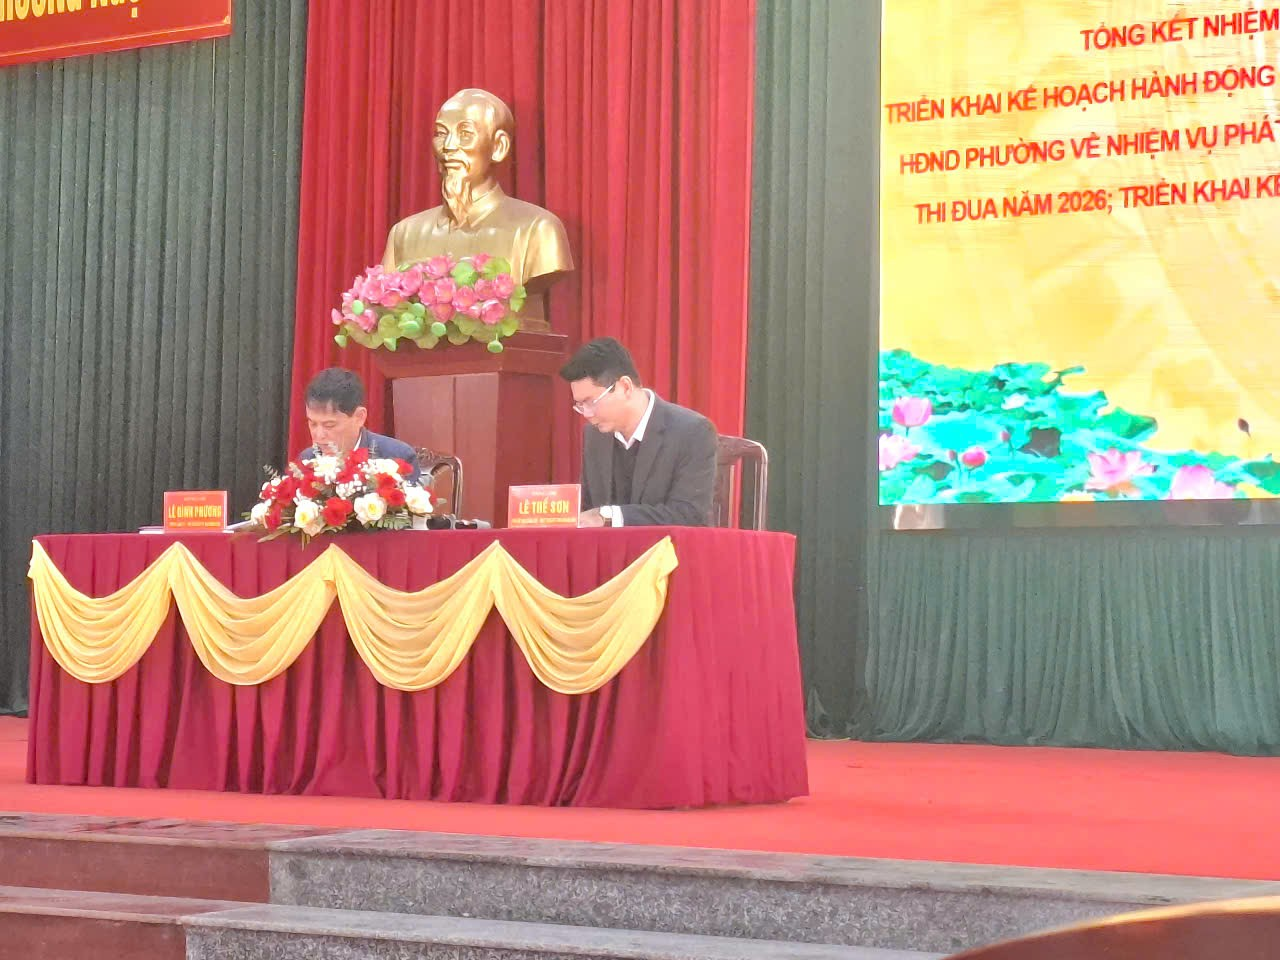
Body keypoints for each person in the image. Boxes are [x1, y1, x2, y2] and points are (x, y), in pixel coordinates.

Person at [382, 88, 573, 331]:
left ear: (499, 146)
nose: (448, 146)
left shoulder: (538, 230)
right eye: (441, 134)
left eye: (465, 134)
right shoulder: (404, 234)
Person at [560, 338, 718, 527]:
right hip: (608, 546)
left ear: (625, 387)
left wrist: (609, 516)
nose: (587, 414)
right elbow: (588, 508)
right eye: (580, 405)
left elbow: (688, 514)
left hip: (666, 546)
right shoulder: (594, 436)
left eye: (591, 402)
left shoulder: (692, 432)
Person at [300, 368, 422, 484]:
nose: (319, 435)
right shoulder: (307, 459)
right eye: (313, 424)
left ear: (359, 417)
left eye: (329, 425)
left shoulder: (397, 457)